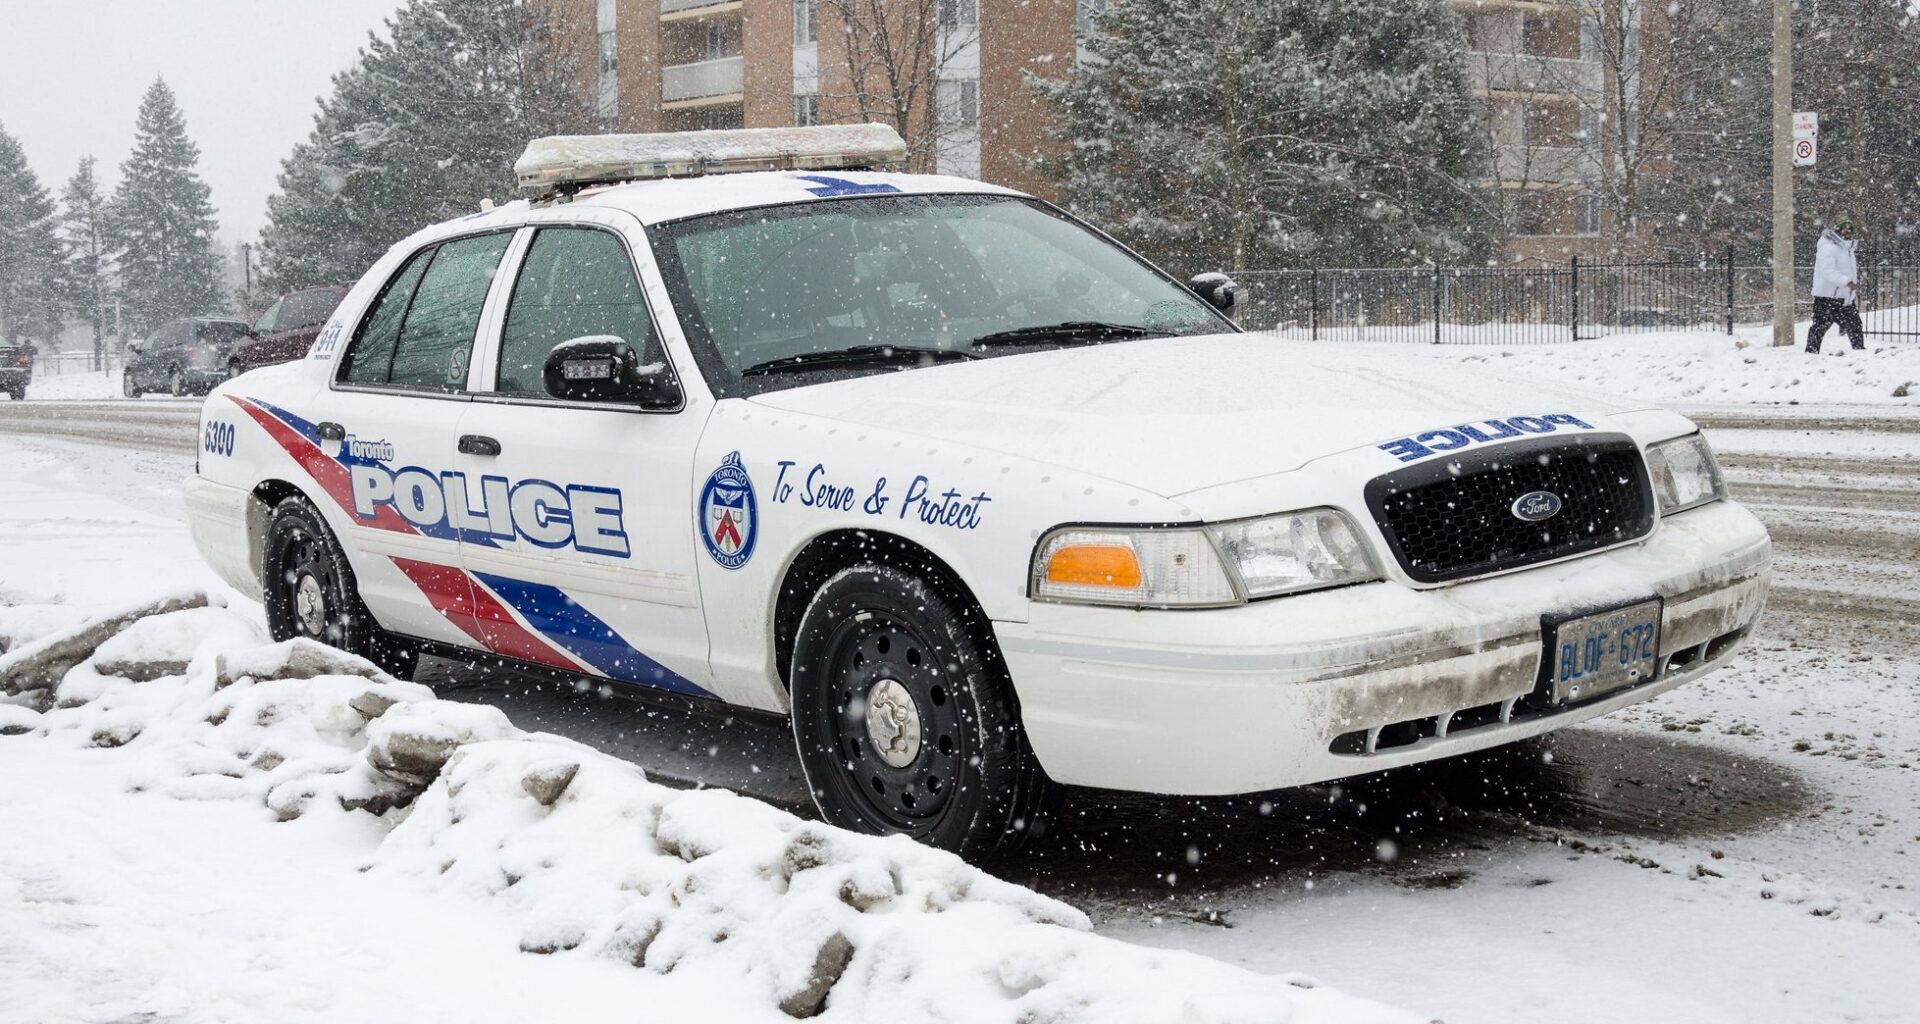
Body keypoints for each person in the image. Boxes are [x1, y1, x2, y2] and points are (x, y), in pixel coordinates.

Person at [1807, 217, 1865, 353]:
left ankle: (1859, 351)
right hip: (1827, 296)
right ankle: (1811, 352)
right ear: (1837, 231)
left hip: (1844, 297)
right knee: (1820, 326)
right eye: (1844, 230)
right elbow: (1828, 270)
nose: (1848, 233)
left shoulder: (1847, 249)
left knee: (1855, 324)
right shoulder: (1828, 248)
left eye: (1850, 230)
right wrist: (1846, 282)